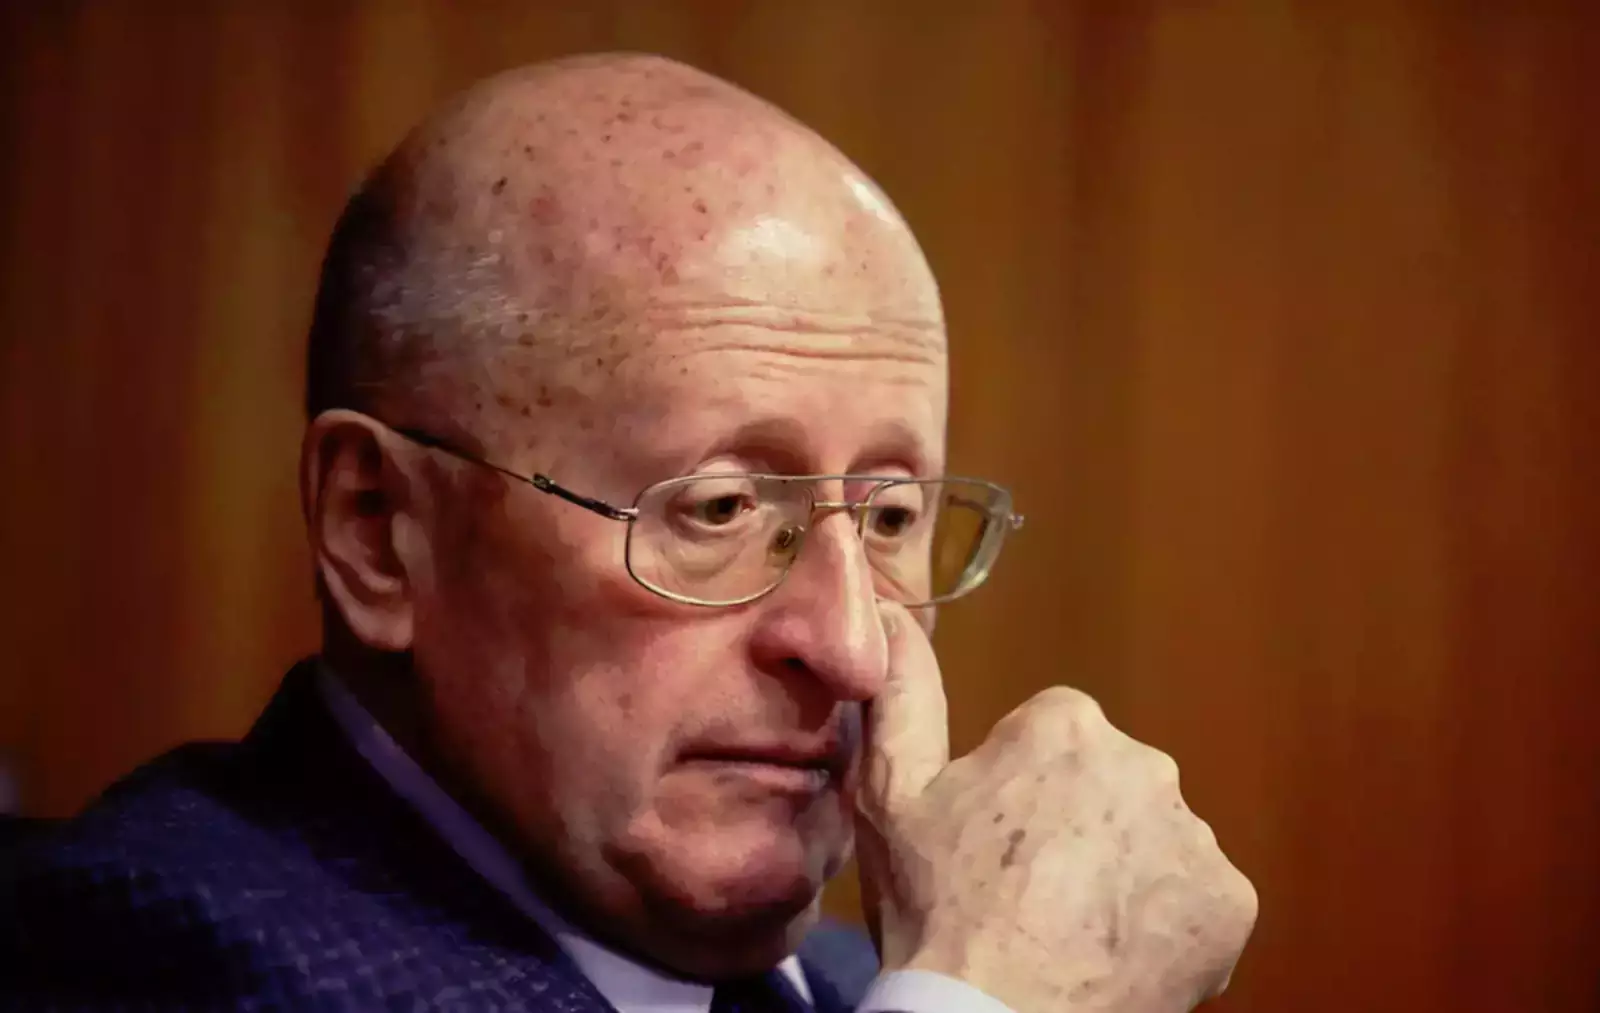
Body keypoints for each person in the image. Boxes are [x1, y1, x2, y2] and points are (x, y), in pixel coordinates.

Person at [0, 53, 1256, 1012]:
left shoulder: (853, 979)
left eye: (887, 514)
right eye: (718, 509)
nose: (851, 647)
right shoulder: (157, 950)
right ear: (377, 529)